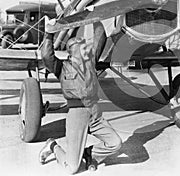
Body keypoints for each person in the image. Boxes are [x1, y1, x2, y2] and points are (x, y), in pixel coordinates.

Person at [39, 18, 122, 174]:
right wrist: (49, 33)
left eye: (85, 48)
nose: (85, 51)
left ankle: (91, 154)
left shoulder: (91, 62)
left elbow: (100, 37)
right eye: (80, 49)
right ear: (71, 53)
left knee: (115, 143)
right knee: (72, 168)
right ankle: (53, 146)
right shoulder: (61, 67)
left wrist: (94, 17)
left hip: (94, 113)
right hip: (76, 114)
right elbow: (46, 55)